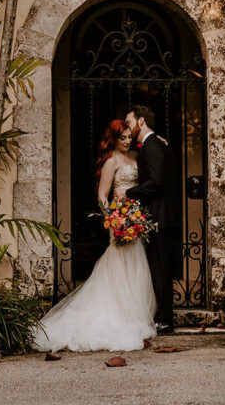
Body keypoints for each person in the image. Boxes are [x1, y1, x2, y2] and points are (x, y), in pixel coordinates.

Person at [32, 119, 157, 353]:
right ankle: (116, 316)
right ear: (114, 138)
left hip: (135, 217)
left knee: (135, 264)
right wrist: (112, 219)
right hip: (119, 218)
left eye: (130, 137)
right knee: (119, 265)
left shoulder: (134, 158)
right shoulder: (111, 162)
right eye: (123, 138)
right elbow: (102, 195)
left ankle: (132, 316)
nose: (128, 141)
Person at [118, 105, 178, 334]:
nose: (127, 126)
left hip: (160, 217)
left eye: (129, 121)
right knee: (158, 268)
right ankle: (163, 316)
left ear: (141, 121)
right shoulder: (154, 145)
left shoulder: (152, 146)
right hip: (159, 216)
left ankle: (165, 319)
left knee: (161, 270)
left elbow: (155, 183)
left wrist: (129, 192)